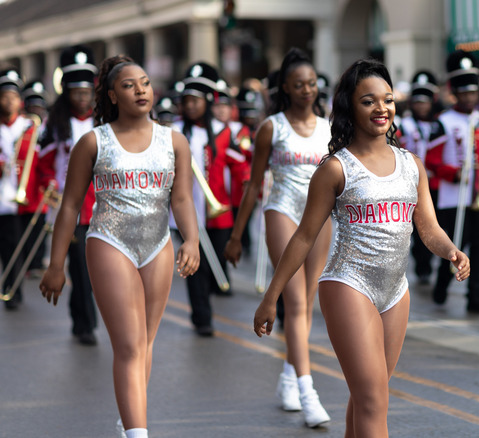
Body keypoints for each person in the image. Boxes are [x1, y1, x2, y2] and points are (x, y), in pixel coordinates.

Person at [252, 58, 469, 437]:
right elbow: (304, 235)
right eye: (368, 101)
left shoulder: (412, 165)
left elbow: (428, 227)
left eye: (387, 99)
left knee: (369, 394)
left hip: (395, 292)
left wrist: (451, 251)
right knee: (373, 401)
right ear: (350, 106)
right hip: (348, 285)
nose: (381, 108)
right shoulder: (335, 169)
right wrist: (272, 297)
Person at [39, 55, 199, 438]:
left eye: (144, 82)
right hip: (109, 242)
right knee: (128, 346)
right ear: (112, 95)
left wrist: (190, 239)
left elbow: (181, 199)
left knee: (144, 343)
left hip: (158, 245)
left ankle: (129, 417)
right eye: (129, 85)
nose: (141, 89)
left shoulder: (174, 140)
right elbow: (71, 205)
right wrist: (56, 264)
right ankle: (136, 432)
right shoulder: (93, 141)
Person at [224, 48, 332, 428]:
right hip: (282, 211)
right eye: (298, 84)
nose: (306, 90)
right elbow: (254, 184)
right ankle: (307, 390)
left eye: (312, 83)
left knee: (309, 303)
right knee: (296, 301)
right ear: (285, 87)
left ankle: (288, 376)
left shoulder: (329, 128)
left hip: (319, 219)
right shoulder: (272, 127)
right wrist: (236, 236)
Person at [426, 50, 479, 313]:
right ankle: (441, 285)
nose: (468, 98)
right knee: (451, 248)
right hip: (453, 198)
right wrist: (453, 173)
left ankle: (476, 297)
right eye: (464, 93)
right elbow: (431, 160)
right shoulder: (443, 122)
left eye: (472, 93)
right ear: (456, 93)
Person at [173, 62, 248, 333]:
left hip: (219, 211)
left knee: (215, 261)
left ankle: (206, 306)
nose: (191, 106)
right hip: (186, 210)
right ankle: (202, 317)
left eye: (196, 100)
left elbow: (239, 164)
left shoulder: (223, 131)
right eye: (187, 101)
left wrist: (249, 179)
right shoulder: (174, 130)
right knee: (195, 265)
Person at [38, 45, 99, 345]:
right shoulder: (55, 124)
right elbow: (44, 163)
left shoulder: (104, 121)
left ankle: (85, 320)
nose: (82, 97)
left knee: (97, 269)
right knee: (79, 267)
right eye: (76, 92)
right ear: (67, 93)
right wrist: (49, 183)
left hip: (103, 206)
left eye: (87, 91)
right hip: (70, 206)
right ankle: (85, 324)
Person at [0, 68, 40, 310]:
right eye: (4, 96)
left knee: (19, 245)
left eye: (12, 96)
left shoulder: (30, 126)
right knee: (6, 246)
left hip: (22, 198)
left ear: (19, 101)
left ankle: (13, 288)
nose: (8, 101)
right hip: (1, 197)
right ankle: (11, 287)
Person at [398, 70, 439, 284]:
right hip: (410, 184)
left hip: (434, 183)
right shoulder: (403, 126)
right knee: (416, 228)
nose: (422, 106)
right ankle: (422, 265)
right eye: (418, 102)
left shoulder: (437, 125)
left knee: (434, 223)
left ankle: (431, 261)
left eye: (426, 102)